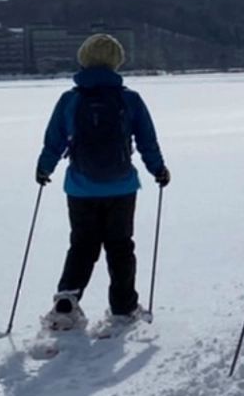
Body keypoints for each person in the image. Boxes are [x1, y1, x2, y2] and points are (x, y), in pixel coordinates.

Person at [35, 33, 169, 331]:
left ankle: (66, 302)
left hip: (80, 188)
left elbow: (54, 141)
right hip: (122, 187)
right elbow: (148, 140)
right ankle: (123, 307)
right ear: (116, 63)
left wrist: (44, 169)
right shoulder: (129, 99)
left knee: (82, 245)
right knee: (120, 247)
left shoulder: (70, 100)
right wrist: (158, 170)